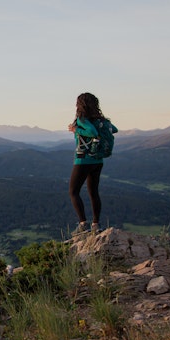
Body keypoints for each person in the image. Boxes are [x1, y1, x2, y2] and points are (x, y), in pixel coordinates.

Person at [68, 92, 118, 236]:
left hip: (83, 160)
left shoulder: (82, 119)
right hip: (98, 160)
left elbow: (92, 131)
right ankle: (96, 224)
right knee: (93, 192)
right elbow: (114, 129)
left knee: (73, 191)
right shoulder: (101, 120)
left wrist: (75, 129)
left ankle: (83, 224)